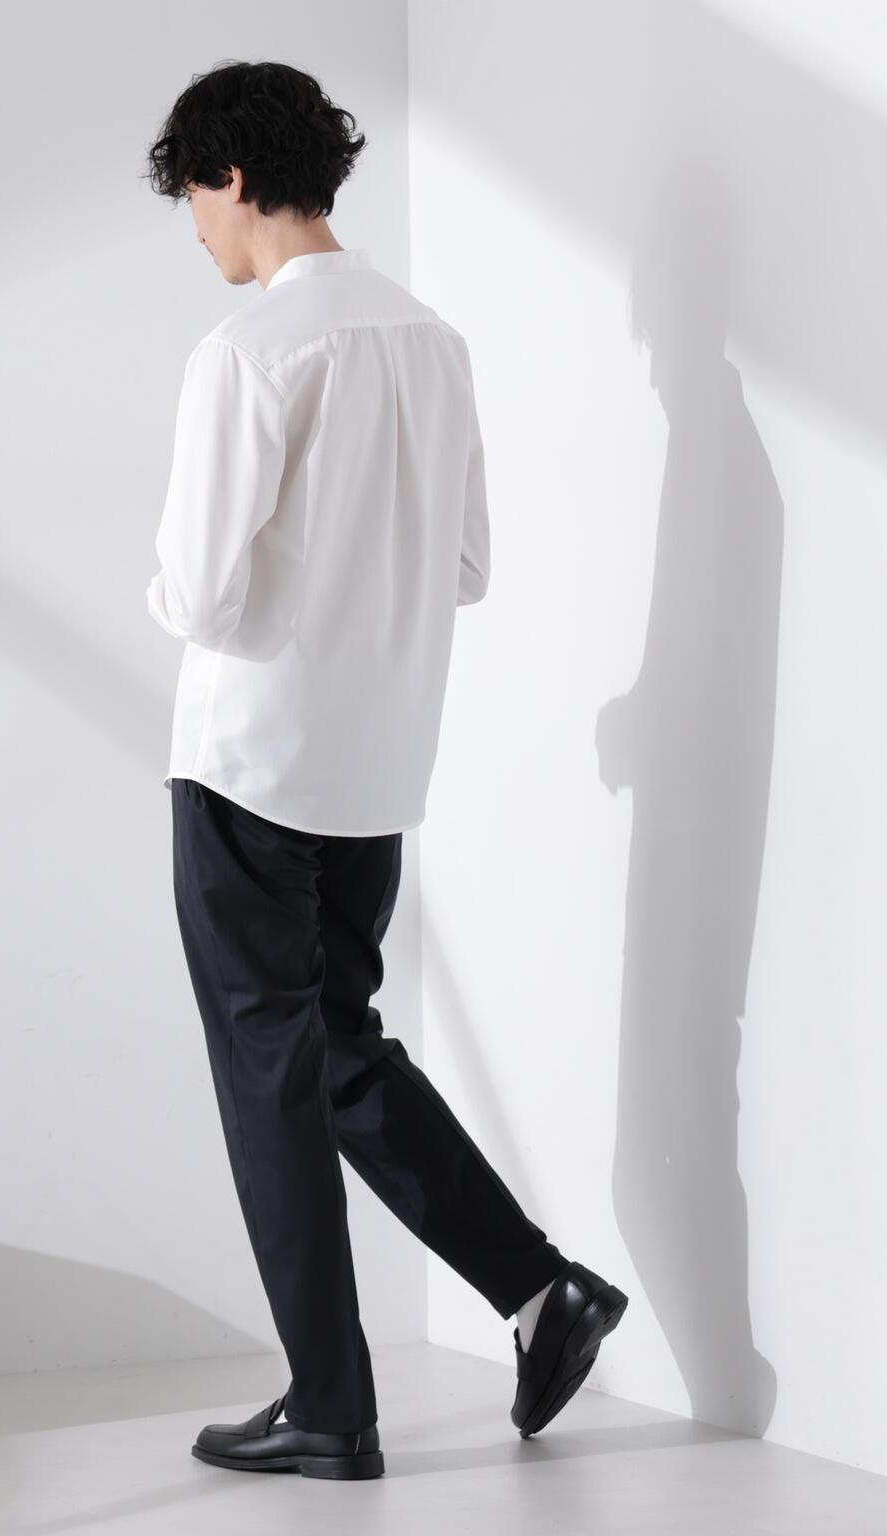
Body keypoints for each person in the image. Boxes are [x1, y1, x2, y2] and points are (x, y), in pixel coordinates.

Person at [142, 59, 628, 1481]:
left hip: (248, 763)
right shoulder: (433, 342)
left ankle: (329, 1404)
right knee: (339, 1045)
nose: (196, 233)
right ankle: (541, 1293)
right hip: (374, 770)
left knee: (270, 1074)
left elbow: (198, 594)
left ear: (232, 176)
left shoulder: (247, 353)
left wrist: (175, 583)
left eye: (192, 200)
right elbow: (466, 567)